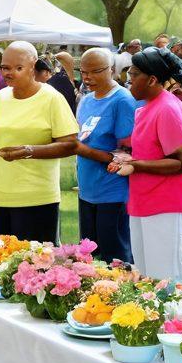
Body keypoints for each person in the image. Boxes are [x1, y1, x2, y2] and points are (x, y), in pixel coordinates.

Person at [0, 42, 78, 242]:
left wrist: (27, 150)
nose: (9, 73)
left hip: (35, 197)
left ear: (33, 66)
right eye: (5, 67)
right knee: (2, 263)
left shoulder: (51, 98)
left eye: (18, 68)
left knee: (34, 266)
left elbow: (70, 144)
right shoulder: (1, 97)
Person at [114, 46, 182, 285]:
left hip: (169, 204)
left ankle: (176, 323)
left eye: (133, 75)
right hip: (144, 201)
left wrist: (136, 165)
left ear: (152, 79)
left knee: (167, 281)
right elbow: (151, 151)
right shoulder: (146, 108)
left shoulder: (168, 108)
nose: (128, 81)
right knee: (145, 279)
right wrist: (127, 158)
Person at [74, 48, 137, 263]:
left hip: (112, 191)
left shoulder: (122, 100)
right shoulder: (86, 100)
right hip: (87, 189)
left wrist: (84, 151)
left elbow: (128, 153)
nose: (87, 77)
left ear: (111, 70)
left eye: (94, 71)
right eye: (83, 72)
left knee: (115, 259)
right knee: (89, 258)